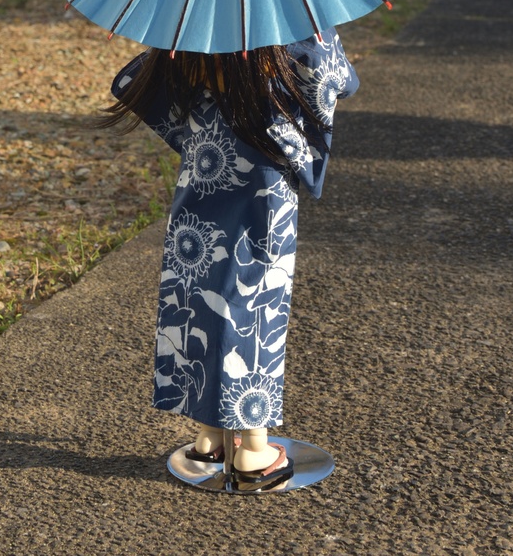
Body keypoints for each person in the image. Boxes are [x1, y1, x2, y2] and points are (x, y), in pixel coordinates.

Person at [103, 27, 358, 490]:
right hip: (260, 180)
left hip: (204, 164)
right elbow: (334, 77)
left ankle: (209, 440)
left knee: (200, 288)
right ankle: (254, 453)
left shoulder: (190, 20)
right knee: (252, 297)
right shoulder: (284, 20)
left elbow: (149, 80)